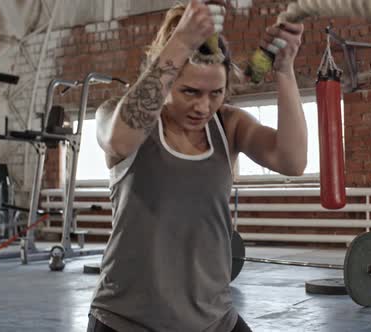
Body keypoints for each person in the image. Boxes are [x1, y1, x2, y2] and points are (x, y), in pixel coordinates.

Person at [87, 0, 307, 331]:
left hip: (214, 319)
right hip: (127, 321)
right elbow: (119, 140)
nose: (203, 107)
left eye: (215, 93)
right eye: (189, 92)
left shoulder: (228, 125)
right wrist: (181, 40)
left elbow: (292, 160)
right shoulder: (119, 116)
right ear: (167, 78)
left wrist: (285, 70)